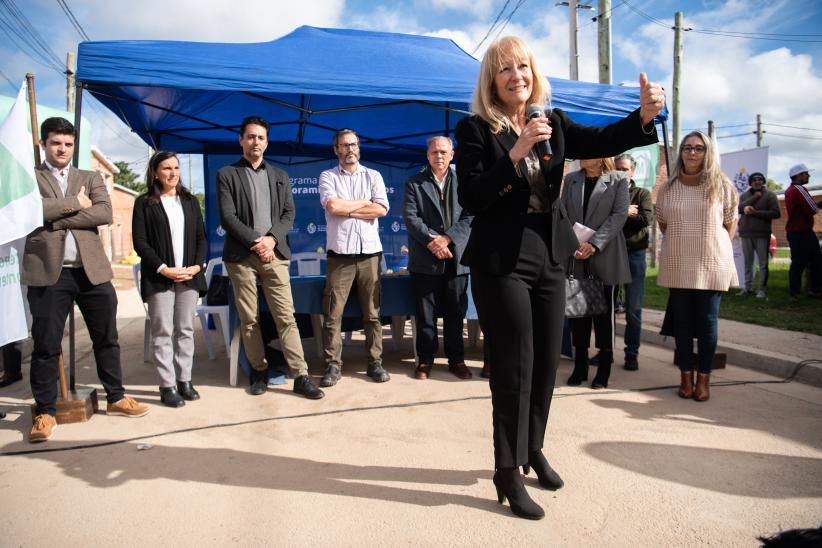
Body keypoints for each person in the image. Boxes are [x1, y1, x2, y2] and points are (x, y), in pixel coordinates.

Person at [455, 35, 663, 519]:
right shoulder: (474, 130)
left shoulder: (554, 122)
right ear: (492, 79)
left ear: (533, 72)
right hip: (501, 260)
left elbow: (605, 140)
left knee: (548, 361)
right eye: (505, 69)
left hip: (549, 255)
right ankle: (506, 470)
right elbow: (471, 196)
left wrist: (644, 119)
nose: (516, 76)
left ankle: (532, 449)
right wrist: (515, 151)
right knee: (514, 366)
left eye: (522, 66)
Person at [23, 117, 149, 443]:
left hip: (92, 272)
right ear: (43, 145)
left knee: (106, 338)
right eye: (56, 143)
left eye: (68, 144)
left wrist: (56, 213)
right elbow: (29, 212)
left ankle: (116, 397)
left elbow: (104, 213)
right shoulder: (29, 178)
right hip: (49, 274)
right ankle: (45, 412)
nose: (62, 149)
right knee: (47, 345)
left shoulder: (90, 177)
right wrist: (74, 204)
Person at [217, 116, 324, 400]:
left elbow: (289, 214)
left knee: (286, 317)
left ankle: (300, 375)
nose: (256, 142)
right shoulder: (226, 174)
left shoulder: (279, 176)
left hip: (275, 255)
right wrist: (256, 241)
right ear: (241, 140)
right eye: (250, 137)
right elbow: (228, 217)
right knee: (249, 319)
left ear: (267, 141)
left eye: (261, 137)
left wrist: (271, 240)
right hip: (241, 257)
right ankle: (259, 371)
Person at [656, 131, 739, 403]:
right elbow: (663, 222)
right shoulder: (668, 188)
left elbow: (730, 224)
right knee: (681, 323)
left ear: (708, 153)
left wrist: (710, 245)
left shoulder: (722, 186)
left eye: (699, 148)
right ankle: (685, 377)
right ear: (681, 152)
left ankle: (704, 378)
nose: (692, 153)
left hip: (711, 263)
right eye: (687, 148)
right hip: (679, 261)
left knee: (706, 323)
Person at [132, 151, 207, 407]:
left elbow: (201, 238)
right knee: (163, 331)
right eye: (166, 168)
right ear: (155, 172)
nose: (173, 173)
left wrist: (197, 266)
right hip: (160, 277)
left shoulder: (189, 201)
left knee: (185, 329)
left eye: (176, 168)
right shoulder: (144, 203)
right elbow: (140, 243)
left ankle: (185, 380)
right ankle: (167, 385)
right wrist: (164, 268)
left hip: (188, 277)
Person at [318, 129, 391, 386]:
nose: (350, 149)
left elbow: (381, 209)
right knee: (333, 314)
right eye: (344, 145)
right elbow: (333, 207)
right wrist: (362, 205)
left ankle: (375, 363)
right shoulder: (327, 176)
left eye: (354, 144)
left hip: (370, 254)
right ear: (336, 149)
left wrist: (348, 209)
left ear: (359, 147)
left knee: (372, 313)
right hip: (339, 256)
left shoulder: (374, 175)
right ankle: (333, 366)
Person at [402, 136, 473, 380]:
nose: (439, 156)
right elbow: (412, 219)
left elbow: (470, 217)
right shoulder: (415, 183)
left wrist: (448, 239)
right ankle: (425, 361)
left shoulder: (465, 182)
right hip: (425, 259)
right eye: (434, 152)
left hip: (457, 258)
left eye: (443, 152)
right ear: (427, 155)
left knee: (455, 313)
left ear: (452, 154)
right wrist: (434, 243)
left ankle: (457, 360)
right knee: (425, 316)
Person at [561, 157, 631, 389]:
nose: (581, 156)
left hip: (606, 254)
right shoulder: (571, 179)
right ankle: (579, 365)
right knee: (578, 313)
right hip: (577, 255)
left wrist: (594, 244)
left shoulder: (618, 179)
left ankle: (604, 368)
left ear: (602, 156)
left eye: (587, 152)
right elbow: (563, 214)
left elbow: (619, 215)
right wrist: (573, 244)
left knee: (604, 315)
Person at [615, 153, 653, 371]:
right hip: (611, 254)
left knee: (633, 308)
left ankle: (632, 353)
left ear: (633, 171)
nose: (621, 172)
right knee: (607, 308)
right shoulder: (608, 190)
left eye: (625, 169)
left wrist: (622, 215)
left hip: (634, 255)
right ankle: (605, 351)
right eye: (618, 168)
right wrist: (624, 211)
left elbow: (645, 219)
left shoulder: (642, 194)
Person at [737, 172, 780, 299]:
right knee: (747, 263)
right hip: (746, 233)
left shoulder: (770, 195)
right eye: (754, 179)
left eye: (760, 179)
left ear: (763, 181)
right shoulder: (744, 195)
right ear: (750, 182)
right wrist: (755, 197)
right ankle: (747, 288)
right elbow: (739, 209)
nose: (757, 181)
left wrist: (756, 213)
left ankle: (761, 289)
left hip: (762, 234)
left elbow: (776, 213)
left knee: (763, 263)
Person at [784, 163, 822, 298]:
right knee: (803, 262)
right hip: (801, 233)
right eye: (806, 173)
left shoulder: (790, 190)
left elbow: (807, 208)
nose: (809, 175)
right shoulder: (799, 189)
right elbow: (813, 209)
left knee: (813, 261)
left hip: (798, 232)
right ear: (799, 175)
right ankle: (798, 292)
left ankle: (808, 290)